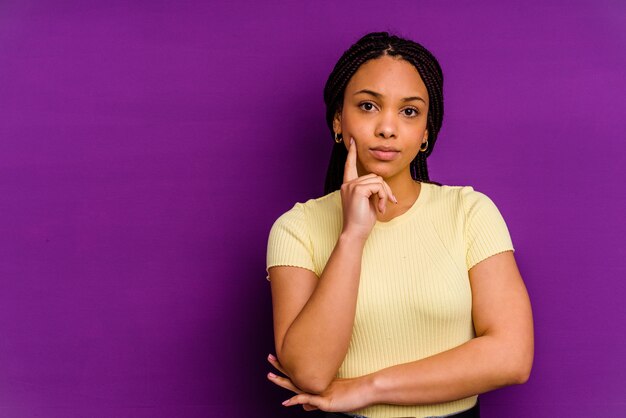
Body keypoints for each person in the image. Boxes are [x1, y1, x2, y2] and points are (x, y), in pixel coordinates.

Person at [264, 31, 534, 418]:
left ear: (426, 133)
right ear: (339, 120)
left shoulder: (470, 212)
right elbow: (309, 371)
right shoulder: (296, 228)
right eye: (368, 106)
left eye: (409, 112)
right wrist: (353, 237)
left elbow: (512, 356)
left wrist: (368, 388)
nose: (387, 128)